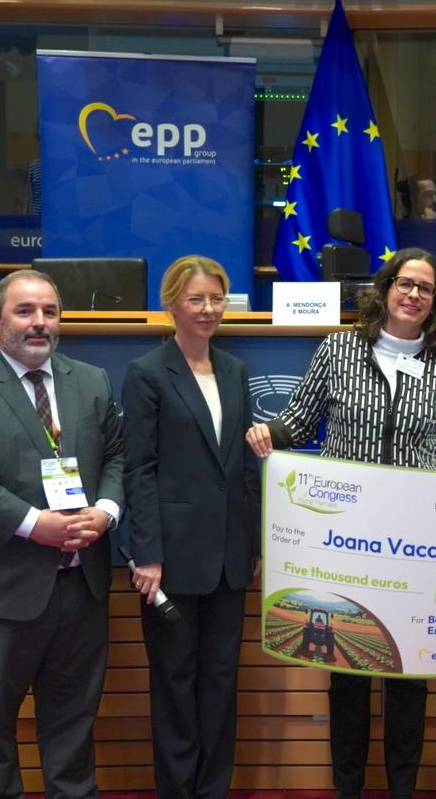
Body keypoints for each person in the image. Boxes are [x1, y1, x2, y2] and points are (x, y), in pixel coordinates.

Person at [245, 247, 436, 799]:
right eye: (405, 283)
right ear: (385, 288)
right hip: (345, 538)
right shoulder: (340, 348)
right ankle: (347, 789)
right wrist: (267, 435)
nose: (414, 294)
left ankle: (402, 790)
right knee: (346, 672)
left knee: (409, 676)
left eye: (426, 288)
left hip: (416, 541)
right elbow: (299, 421)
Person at [0, 269, 125, 799]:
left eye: (50, 312)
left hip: (80, 591)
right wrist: (37, 525)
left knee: (73, 732)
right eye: (25, 311)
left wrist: (105, 510)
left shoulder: (93, 382)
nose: (40, 323)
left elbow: (119, 457)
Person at [121, 255, 261, 799]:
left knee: (221, 682)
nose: (208, 310)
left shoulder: (234, 370)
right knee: (176, 685)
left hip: (229, 556)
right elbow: (140, 470)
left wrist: (250, 542)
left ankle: (213, 790)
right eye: (196, 299)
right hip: (171, 561)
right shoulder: (147, 373)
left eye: (217, 299)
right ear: (172, 304)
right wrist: (148, 554)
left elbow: (244, 468)